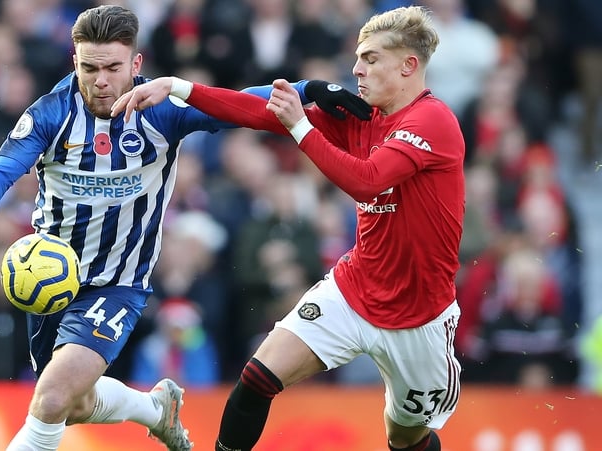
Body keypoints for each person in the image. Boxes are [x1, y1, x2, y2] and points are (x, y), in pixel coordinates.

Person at [0, 5, 371, 451]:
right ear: (75, 62)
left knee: (51, 397)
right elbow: (4, 168)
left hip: (119, 283)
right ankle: (153, 410)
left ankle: (147, 409)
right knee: (71, 402)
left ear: (136, 63)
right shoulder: (51, 113)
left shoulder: (162, 109)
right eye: (90, 68)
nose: (101, 80)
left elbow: (238, 101)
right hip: (51, 279)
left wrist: (306, 90)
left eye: (112, 67)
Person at [113, 5, 465, 451]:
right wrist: (179, 87)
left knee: (405, 437)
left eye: (371, 59)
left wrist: (302, 125)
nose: (356, 68)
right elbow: (259, 112)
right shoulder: (362, 116)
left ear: (409, 65)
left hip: (420, 318)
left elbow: (366, 180)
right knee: (257, 376)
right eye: (358, 57)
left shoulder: (432, 121)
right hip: (354, 291)